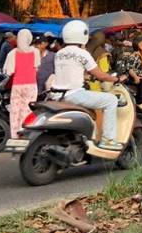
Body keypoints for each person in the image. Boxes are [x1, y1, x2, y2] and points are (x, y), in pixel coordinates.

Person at [52, 20, 126, 150]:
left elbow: (69, 71)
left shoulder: (59, 53)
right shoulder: (82, 53)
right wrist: (117, 79)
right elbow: (101, 75)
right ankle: (108, 139)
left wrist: (85, 76)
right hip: (74, 95)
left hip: (56, 94)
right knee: (111, 100)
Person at [3, 29, 41, 139]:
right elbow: (37, 68)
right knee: (28, 110)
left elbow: (8, 71)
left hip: (17, 85)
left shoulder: (13, 53)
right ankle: (27, 133)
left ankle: (15, 135)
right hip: (31, 86)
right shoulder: (36, 52)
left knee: (15, 111)